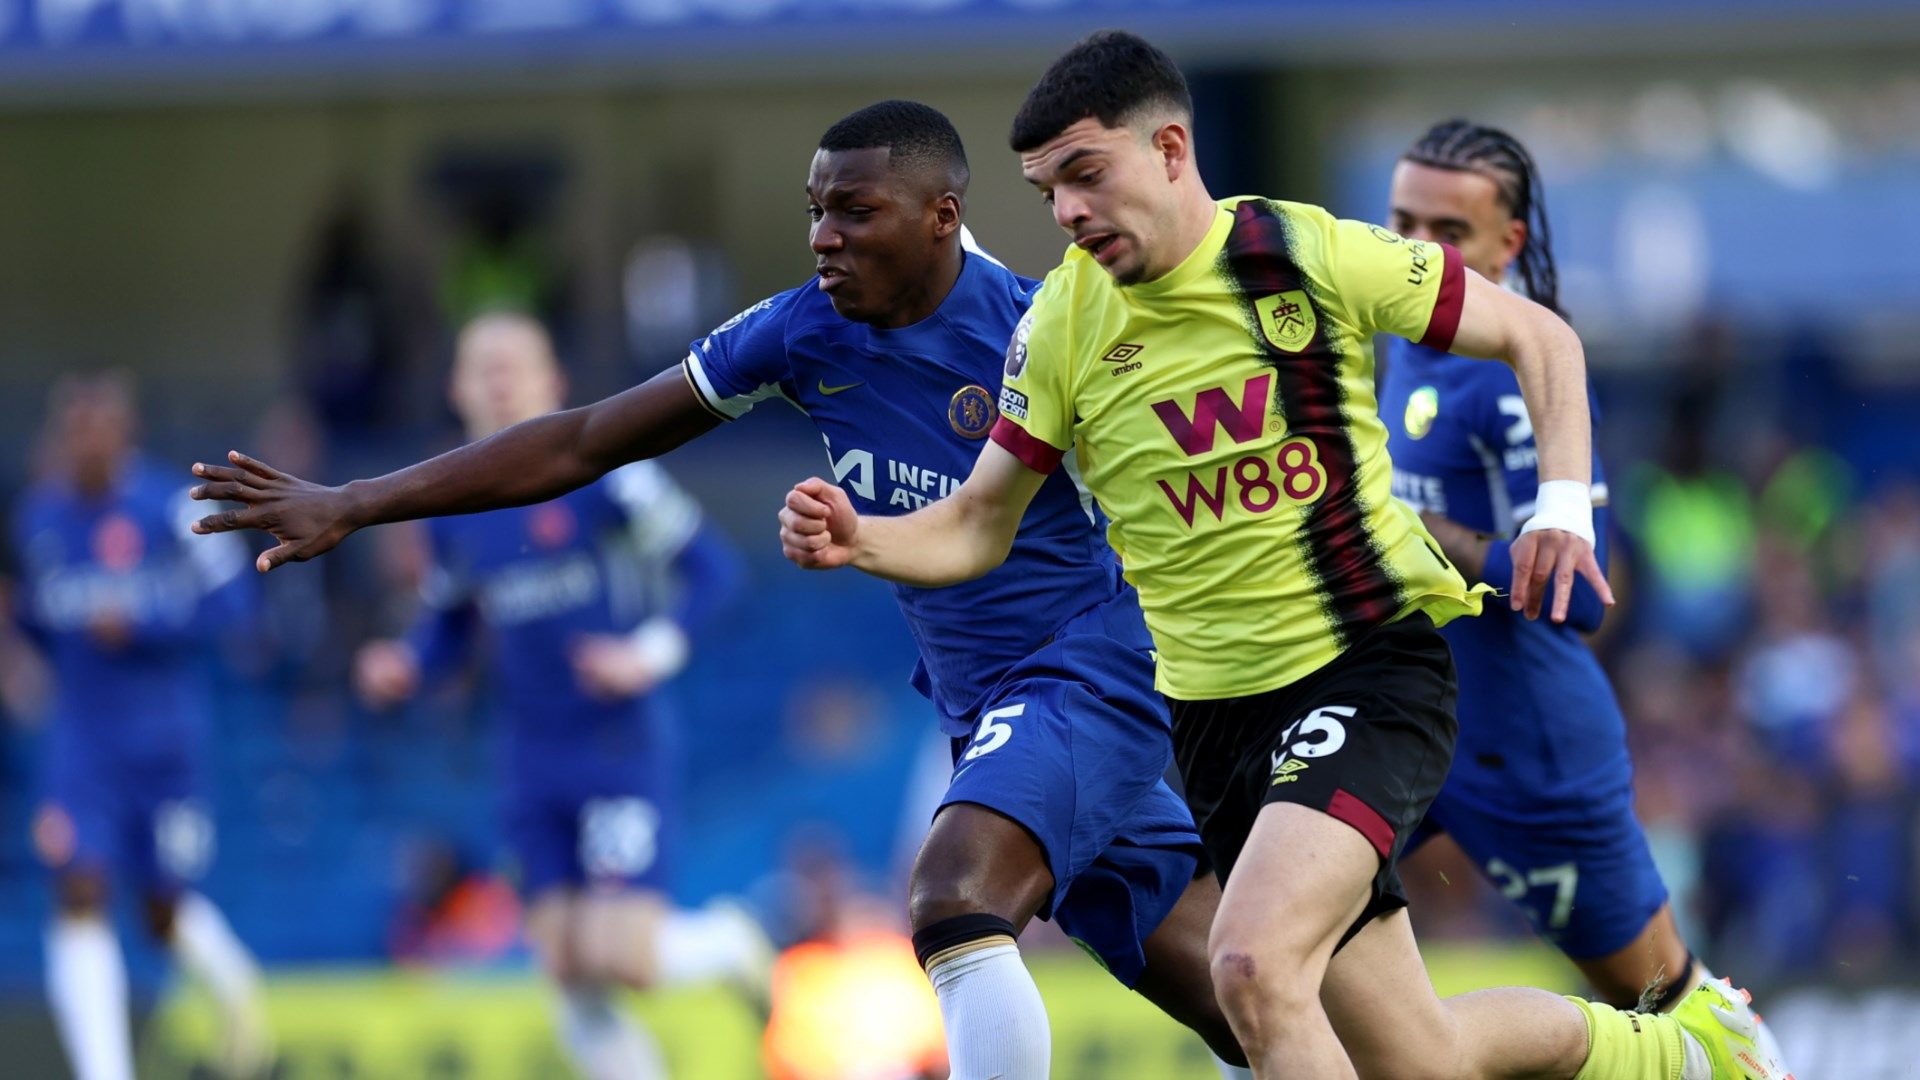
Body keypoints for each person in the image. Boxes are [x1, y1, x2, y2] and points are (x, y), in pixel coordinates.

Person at [776, 32, 1783, 1080]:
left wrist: (1563, 508)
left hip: (1366, 671)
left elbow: (1542, 339)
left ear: (1170, 148)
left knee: (1250, 965)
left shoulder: (1307, 253)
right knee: (1414, 1057)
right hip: (1216, 724)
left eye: (1086, 174)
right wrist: (866, 538)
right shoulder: (1059, 323)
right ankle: (1686, 1053)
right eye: (1046, 193)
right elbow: (982, 521)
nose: (1069, 212)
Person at [187, 101, 1250, 1079]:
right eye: (815, 211)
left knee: (952, 900)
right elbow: (584, 439)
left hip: (1086, 673)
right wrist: (359, 501)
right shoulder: (802, 332)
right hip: (982, 705)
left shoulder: (1041, 329)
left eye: (855, 211)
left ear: (941, 217)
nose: (824, 236)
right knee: (1239, 993)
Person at [1377, 118, 1789, 1067]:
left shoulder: (1516, 375)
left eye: (1449, 231)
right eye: (1402, 220)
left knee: (1665, 998)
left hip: (1525, 747)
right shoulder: (1402, 346)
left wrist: (1432, 538)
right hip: (1407, 722)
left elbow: (1583, 602)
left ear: (1508, 243)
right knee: (1264, 943)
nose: (1416, 248)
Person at [350, 313, 765, 1079]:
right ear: (457, 389)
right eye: (483, 365)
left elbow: (713, 571)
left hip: (615, 744)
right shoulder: (451, 513)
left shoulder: (608, 474)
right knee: (566, 966)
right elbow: (449, 626)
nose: (500, 378)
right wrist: (407, 664)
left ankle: (732, 943)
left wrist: (646, 655)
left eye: (516, 363)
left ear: (554, 383)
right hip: (528, 756)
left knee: (620, 956)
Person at [12, 374, 270, 1080]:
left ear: (126, 434)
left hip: (166, 744)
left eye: (100, 425)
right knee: (79, 887)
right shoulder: (38, 517)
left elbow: (235, 605)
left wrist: (147, 623)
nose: (85, 441)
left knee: (162, 909)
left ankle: (237, 987)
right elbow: (31, 616)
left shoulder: (171, 506)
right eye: (74, 427)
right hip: (81, 744)